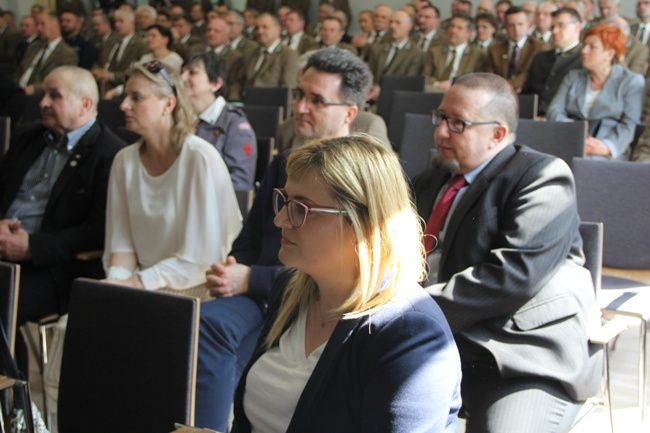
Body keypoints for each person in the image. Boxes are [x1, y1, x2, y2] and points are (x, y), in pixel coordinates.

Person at [195, 47, 375, 432]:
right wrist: (234, 268)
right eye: (299, 95)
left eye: (316, 100)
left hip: (308, 301)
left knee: (211, 327)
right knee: (197, 322)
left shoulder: (360, 181)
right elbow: (252, 235)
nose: (301, 107)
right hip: (259, 294)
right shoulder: (286, 162)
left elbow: (336, 270)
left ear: (349, 113)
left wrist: (251, 278)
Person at [230, 134, 461, 433]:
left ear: (362, 225)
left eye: (301, 208)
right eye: (284, 201)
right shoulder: (291, 289)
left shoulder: (410, 332)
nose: (280, 221)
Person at [414, 73, 602, 432]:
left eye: (458, 124)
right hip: (436, 337)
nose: (440, 132)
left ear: (497, 134)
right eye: (441, 118)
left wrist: (409, 308)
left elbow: (512, 275)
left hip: (518, 352)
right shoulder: (429, 181)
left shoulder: (542, 176)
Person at [0, 66, 125, 372]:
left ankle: (13, 402)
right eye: (44, 94)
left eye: (54, 96)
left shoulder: (110, 154)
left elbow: (98, 233)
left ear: (85, 104)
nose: (42, 103)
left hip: (54, 267)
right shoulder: (28, 136)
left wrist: (32, 247)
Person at [102, 61, 242, 299]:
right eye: (125, 96)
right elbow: (122, 246)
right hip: (140, 282)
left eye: (137, 98)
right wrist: (115, 283)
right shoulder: (123, 161)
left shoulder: (200, 159)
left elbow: (199, 260)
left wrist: (135, 284)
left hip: (193, 289)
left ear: (168, 104)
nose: (124, 105)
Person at [547, 24, 644, 160]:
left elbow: (629, 124)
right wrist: (578, 134)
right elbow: (554, 110)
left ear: (610, 53)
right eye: (584, 45)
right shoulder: (573, 76)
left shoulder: (630, 81)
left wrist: (606, 147)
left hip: (607, 150)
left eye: (592, 47)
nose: (584, 51)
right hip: (568, 141)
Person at [182, 52, 258, 191]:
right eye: (183, 72)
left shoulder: (234, 124)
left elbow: (239, 183)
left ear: (216, 83)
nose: (183, 78)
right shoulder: (181, 119)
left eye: (192, 72)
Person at [522, 7, 583, 116]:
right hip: (532, 120)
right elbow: (527, 94)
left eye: (561, 25)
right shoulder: (540, 58)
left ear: (577, 27)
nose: (554, 31)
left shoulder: (584, 59)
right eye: (553, 27)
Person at [484, 6, 550, 93]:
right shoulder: (494, 50)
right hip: (499, 96)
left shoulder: (540, 47)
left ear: (528, 25)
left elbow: (530, 75)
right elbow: (490, 77)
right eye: (511, 25)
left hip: (528, 95)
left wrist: (506, 86)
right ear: (505, 27)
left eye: (520, 24)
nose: (516, 29)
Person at [14, 9, 78, 95]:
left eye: (42, 24)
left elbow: (60, 82)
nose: (38, 28)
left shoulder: (67, 53)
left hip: (39, 96)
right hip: (18, 91)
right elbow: (20, 70)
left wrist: (35, 89)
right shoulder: (33, 47)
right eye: (37, 24)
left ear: (54, 25)